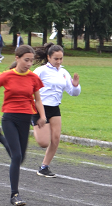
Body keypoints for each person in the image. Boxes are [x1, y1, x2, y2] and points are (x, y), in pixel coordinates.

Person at [0, 45, 47, 206]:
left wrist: (42, 116)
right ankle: (14, 194)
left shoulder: (33, 78)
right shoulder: (7, 76)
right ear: (17, 58)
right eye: (26, 60)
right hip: (9, 118)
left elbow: (38, 100)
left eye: (31, 61)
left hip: (25, 119)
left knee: (20, 157)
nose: (29, 64)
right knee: (17, 156)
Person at [31, 43, 81, 178]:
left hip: (54, 108)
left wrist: (75, 85)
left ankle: (44, 167)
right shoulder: (40, 71)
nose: (58, 62)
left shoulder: (64, 72)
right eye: (56, 59)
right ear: (48, 57)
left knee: (56, 138)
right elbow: (29, 86)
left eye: (61, 59)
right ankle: (31, 123)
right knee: (43, 143)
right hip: (39, 107)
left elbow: (73, 92)